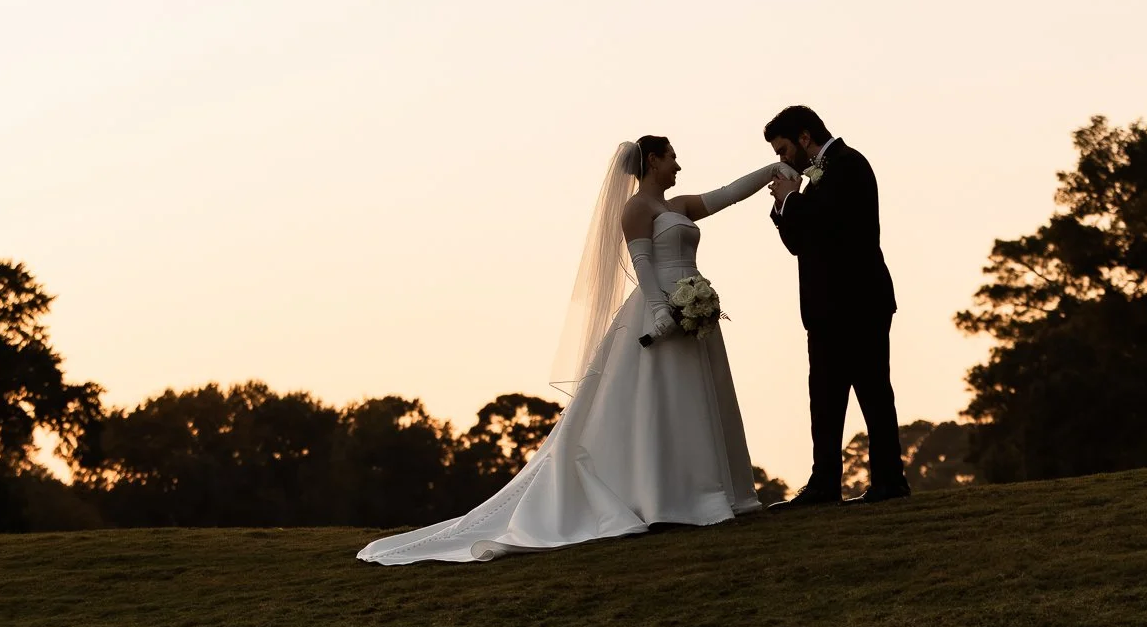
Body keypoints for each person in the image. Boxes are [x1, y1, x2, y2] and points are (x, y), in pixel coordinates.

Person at [357, 137, 786, 564]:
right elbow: (643, 264)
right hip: (662, 311)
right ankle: (666, 499)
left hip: (693, 312)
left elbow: (727, 194)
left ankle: (708, 493)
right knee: (664, 401)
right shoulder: (638, 209)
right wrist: (660, 311)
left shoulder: (679, 207)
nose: (678, 165)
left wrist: (770, 172)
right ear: (653, 160)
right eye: (672, 157)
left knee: (698, 401)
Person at [763, 105, 910, 506]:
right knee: (824, 399)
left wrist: (793, 199)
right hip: (825, 309)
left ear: (804, 138)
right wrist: (783, 207)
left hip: (860, 302)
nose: (782, 158)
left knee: (873, 391)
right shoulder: (813, 182)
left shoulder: (849, 165)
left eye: (783, 149)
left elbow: (831, 223)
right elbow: (799, 243)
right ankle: (824, 484)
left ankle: (889, 481)